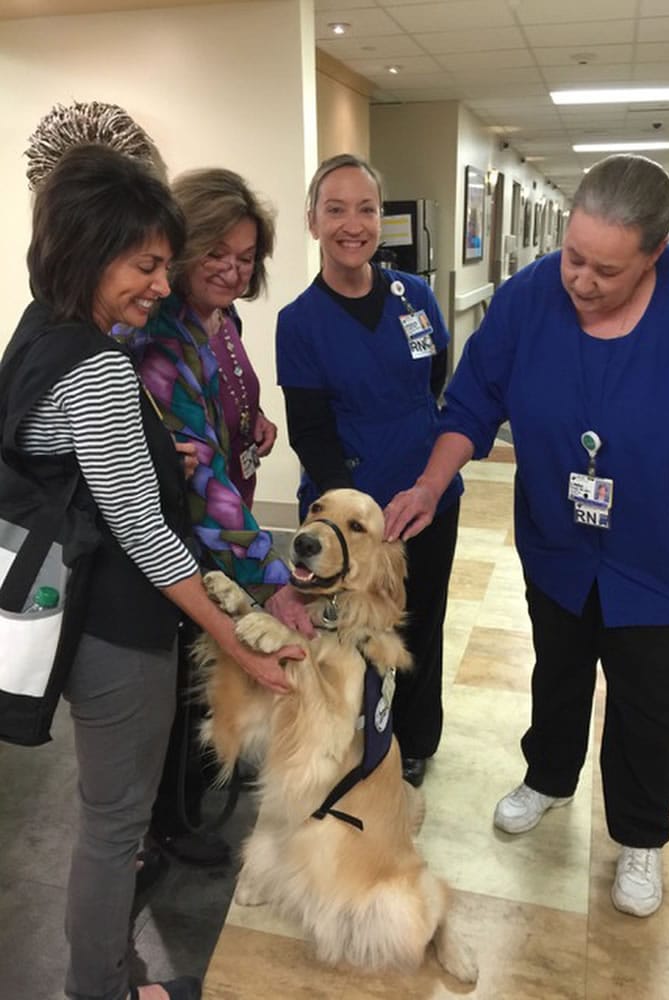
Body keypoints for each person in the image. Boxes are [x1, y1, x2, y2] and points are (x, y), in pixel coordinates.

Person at [383, 154, 669, 917]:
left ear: (656, 255)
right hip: (561, 541)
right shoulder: (526, 300)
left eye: (606, 270)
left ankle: (640, 837)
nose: (580, 280)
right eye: (573, 256)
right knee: (558, 669)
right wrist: (428, 483)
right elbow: (473, 404)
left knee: (649, 699)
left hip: (663, 550)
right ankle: (548, 777)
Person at [0, 143, 304, 1000]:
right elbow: (146, 533)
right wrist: (239, 644)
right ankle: (99, 986)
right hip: (118, 628)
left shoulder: (42, 332)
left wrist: (147, 453)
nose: (162, 286)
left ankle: (114, 973)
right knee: (113, 822)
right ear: (90, 251)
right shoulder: (98, 367)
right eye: (146, 265)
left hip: (77, 608)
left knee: (110, 816)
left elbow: (63, 459)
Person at [128, 168, 313, 864]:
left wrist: (254, 423)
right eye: (218, 254)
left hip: (220, 526)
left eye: (246, 257)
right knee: (172, 690)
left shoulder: (223, 319)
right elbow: (200, 480)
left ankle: (182, 808)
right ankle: (159, 832)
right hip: (182, 538)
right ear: (181, 248)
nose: (234, 271)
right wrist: (274, 578)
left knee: (204, 682)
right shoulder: (161, 341)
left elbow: (223, 412)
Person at [276, 153, 462, 788]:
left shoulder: (414, 295)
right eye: (336, 209)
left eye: (366, 208)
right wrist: (355, 517)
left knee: (418, 619)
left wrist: (424, 477)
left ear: (381, 218)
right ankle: (348, 737)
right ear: (312, 221)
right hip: (351, 514)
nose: (353, 224)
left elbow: (434, 377)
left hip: (428, 499)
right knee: (350, 629)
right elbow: (310, 429)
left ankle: (412, 741)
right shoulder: (299, 322)